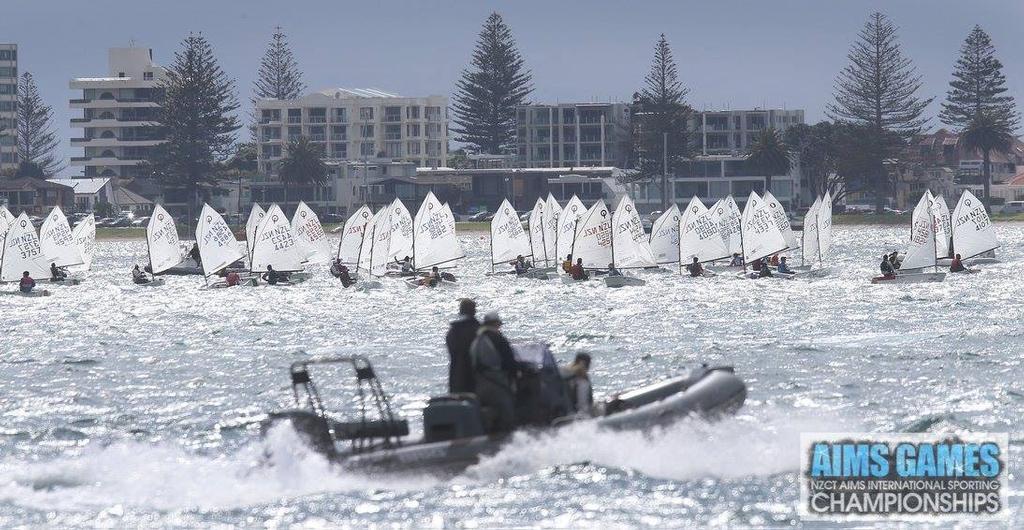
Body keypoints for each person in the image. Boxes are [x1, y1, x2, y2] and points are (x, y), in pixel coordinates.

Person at [470, 312, 519, 433]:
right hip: (497, 384)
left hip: (480, 385)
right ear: (496, 324)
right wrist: (519, 371)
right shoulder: (497, 338)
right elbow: (509, 362)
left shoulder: (477, 340)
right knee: (507, 414)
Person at [445, 299, 480, 394]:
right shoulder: (478, 330)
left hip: (456, 378)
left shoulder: (453, 331)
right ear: (474, 311)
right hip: (476, 380)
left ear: (460, 311)